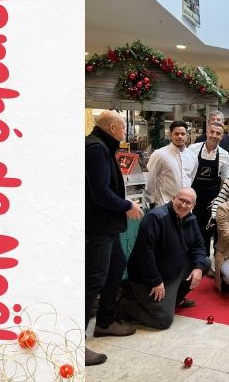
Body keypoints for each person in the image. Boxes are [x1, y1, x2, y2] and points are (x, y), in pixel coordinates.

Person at [85, 111, 143, 366]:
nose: (125, 133)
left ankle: (106, 321)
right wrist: (127, 205)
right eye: (122, 128)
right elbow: (100, 193)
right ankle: (74, 342)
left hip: (108, 227)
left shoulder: (102, 146)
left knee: (116, 267)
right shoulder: (96, 149)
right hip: (99, 228)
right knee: (94, 280)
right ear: (112, 127)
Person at [119, 188, 209, 329]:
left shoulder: (191, 219)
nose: (184, 205)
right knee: (163, 320)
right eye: (181, 200)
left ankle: (175, 300)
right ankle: (125, 305)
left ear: (193, 205)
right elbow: (144, 254)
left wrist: (198, 268)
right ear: (174, 198)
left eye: (188, 202)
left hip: (172, 273)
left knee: (204, 263)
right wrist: (155, 281)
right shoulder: (156, 217)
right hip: (148, 279)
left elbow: (199, 246)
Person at [187, 122, 229, 273]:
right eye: (212, 132)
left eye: (218, 133)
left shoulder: (224, 154)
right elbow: (186, 172)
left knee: (206, 233)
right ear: (207, 132)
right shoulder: (192, 149)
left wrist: (219, 199)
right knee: (189, 229)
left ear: (222, 136)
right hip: (191, 197)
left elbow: (225, 180)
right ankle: (187, 263)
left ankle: (203, 264)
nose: (214, 135)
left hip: (210, 200)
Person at [145, 120, 198, 207]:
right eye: (176, 134)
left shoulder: (193, 157)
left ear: (187, 136)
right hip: (164, 206)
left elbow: (191, 178)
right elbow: (149, 178)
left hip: (186, 207)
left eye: (183, 134)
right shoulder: (159, 154)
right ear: (170, 135)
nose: (180, 136)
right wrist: (151, 201)